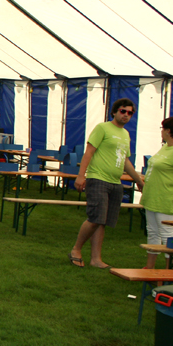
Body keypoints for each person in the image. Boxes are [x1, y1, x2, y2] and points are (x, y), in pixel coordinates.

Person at [69, 98, 144, 268]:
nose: (126, 115)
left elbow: (125, 160)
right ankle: (76, 249)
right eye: (123, 111)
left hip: (115, 182)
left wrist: (138, 180)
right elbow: (89, 152)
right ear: (115, 112)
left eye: (130, 113)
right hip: (98, 179)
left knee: (103, 221)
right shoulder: (102, 128)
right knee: (95, 218)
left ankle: (96, 259)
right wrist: (81, 176)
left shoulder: (126, 134)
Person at [141, 116, 173, 268]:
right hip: (153, 197)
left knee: (167, 235)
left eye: (162, 128)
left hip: (167, 198)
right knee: (152, 232)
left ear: (168, 131)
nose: (161, 132)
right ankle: (149, 266)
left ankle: (169, 269)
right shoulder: (166, 147)